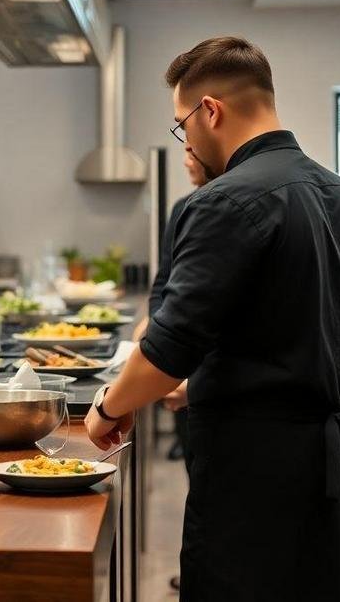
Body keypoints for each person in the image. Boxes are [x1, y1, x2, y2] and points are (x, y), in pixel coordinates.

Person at [84, 37, 340, 601]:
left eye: (183, 124)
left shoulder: (223, 201)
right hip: (332, 472)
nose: (188, 139)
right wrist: (208, 385)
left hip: (258, 482)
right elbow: (287, 332)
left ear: (210, 110)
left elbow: (168, 348)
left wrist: (107, 408)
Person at [134, 149, 208, 471]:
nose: (186, 160)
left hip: (210, 373)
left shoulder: (224, 208)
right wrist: (152, 321)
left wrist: (108, 409)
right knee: (195, 461)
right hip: (184, 368)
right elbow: (164, 281)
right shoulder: (184, 209)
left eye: (192, 151)